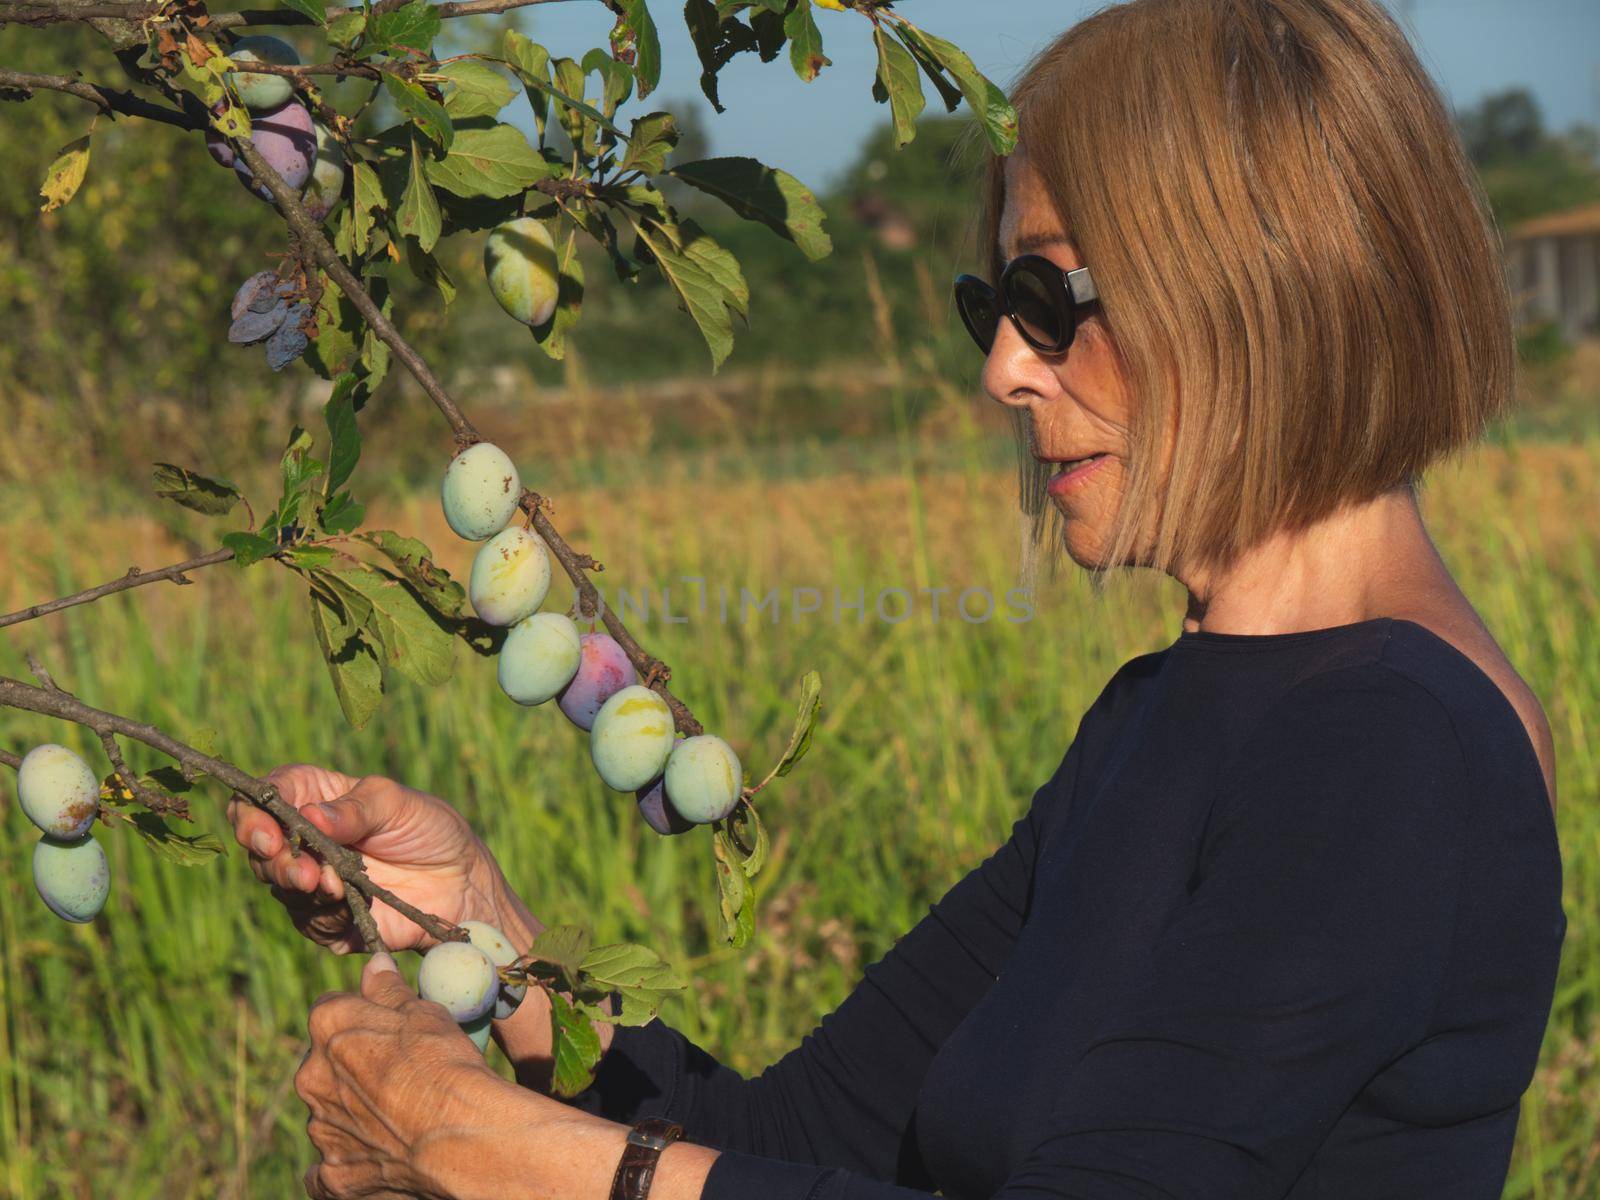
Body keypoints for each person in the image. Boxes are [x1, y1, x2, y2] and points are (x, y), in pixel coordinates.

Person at [226, 0, 1567, 1196]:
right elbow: (798, 1138)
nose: (1003, 372)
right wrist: (484, 937)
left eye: (1049, 298)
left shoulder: (1390, 749)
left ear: (1257, 281)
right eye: (992, 302)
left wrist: (500, 1155)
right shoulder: (1171, 713)